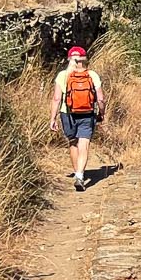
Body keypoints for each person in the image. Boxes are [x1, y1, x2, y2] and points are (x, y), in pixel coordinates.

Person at [50, 45, 106, 191]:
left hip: (67, 113)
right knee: (84, 144)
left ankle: (78, 173)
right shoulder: (92, 75)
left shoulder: (63, 75)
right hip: (87, 113)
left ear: (69, 59)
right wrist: (101, 113)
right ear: (84, 59)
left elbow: (56, 98)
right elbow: (100, 99)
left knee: (73, 142)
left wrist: (53, 118)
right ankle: (80, 176)